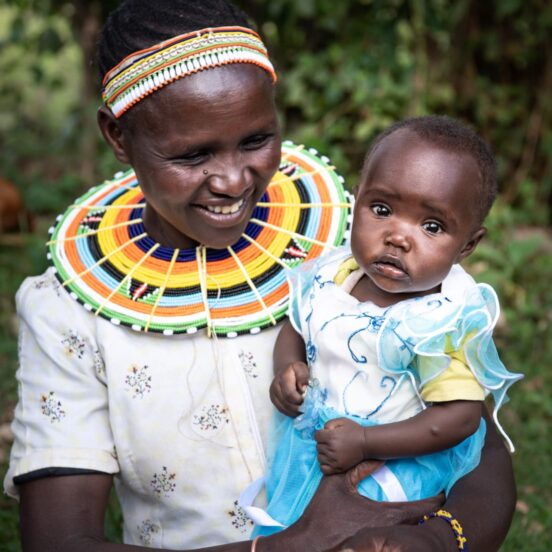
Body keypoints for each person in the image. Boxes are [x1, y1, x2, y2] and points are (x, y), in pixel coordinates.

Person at [2, 1, 517, 550]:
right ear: (117, 136)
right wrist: (291, 544)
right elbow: (58, 542)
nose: (230, 180)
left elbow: (473, 440)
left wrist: (442, 538)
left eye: (255, 141)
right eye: (192, 154)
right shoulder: (68, 313)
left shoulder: (352, 248)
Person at [251, 116, 522, 546]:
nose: (397, 236)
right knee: (297, 529)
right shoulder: (334, 274)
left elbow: (459, 417)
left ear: (467, 246)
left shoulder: (438, 321)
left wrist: (365, 441)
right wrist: (289, 368)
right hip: (315, 447)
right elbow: (299, 326)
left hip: (391, 465)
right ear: (356, 202)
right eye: (381, 210)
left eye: (431, 227)